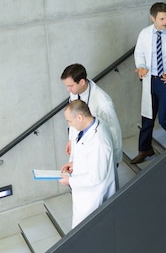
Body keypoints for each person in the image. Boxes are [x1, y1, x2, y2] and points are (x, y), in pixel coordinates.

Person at [131, 2, 166, 164]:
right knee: (147, 118)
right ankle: (144, 149)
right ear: (153, 18)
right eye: (162, 18)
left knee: (164, 118)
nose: (165, 22)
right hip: (151, 80)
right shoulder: (145, 34)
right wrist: (141, 67)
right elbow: (139, 53)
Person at [60, 63, 123, 187]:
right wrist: (71, 139)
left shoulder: (103, 103)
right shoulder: (75, 92)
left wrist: (115, 160)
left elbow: (114, 132)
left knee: (96, 182)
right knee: (79, 179)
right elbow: (74, 117)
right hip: (81, 145)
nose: (68, 90)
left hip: (96, 150)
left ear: (82, 82)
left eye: (70, 86)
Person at [59, 100, 116, 229]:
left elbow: (96, 177)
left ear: (80, 117)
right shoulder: (89, 128)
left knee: (87, 233)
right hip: (85, 193)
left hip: (93, 197)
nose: (70, 125)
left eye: (70, 121)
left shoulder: (99, 141)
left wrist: (70, 181)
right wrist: (75, 163)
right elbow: (89, 156)